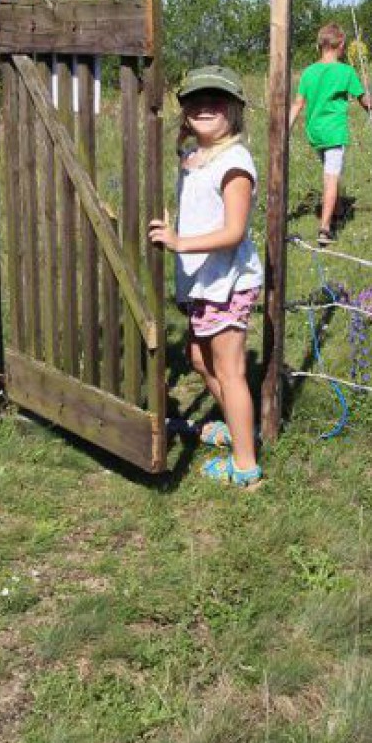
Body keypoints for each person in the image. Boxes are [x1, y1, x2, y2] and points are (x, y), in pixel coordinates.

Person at [148, 65, 265, 488]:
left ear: (235, 110)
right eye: (195, 101)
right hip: (202, 279)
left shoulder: (235, 163)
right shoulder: (195, 156)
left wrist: (179, 243)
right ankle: (240, 429)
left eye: (216, 100)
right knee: (199, 359)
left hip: (226, 281)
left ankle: (246, 466)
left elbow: (234, 232)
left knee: (230, 370)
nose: (205, 106)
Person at [287, 22, 372, 246]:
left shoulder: (309, 72)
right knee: (331, 177)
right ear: (340, 45)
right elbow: (365, 101)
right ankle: (324, 229)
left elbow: (298, 104)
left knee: (331, 170)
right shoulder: (346, 71)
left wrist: (285, 130)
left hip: (315, 134)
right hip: (334, 133)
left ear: (320, 45)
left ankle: (338, 208)